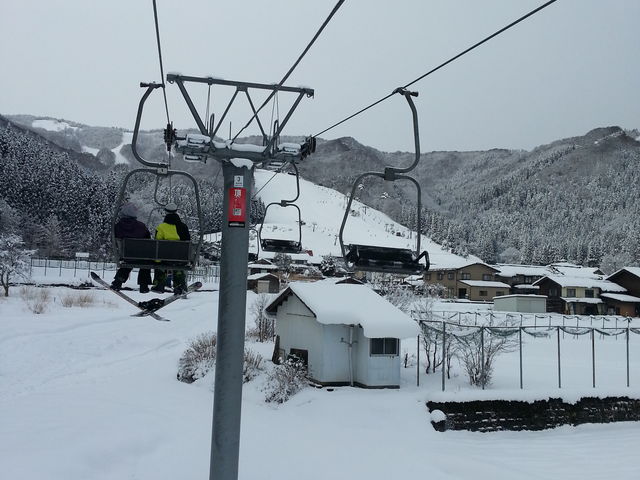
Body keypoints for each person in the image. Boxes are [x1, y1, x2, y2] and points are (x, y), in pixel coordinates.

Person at [111, 201, 152, 293]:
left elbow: (115, 237)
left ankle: (118, 282)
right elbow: (148, 240)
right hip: (141, 256)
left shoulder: (118, 226)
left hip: (126, 254)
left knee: (128, 262)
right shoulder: (141, 226)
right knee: (145, 263)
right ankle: (143, 285)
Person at [151, 202, 191, 295]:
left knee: (161, 264)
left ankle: (159, 284)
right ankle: (180, 285)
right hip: (181, 258)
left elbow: (158, 243)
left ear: (166, 212)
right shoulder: (183, 227)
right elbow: (187, 241)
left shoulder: (161, 227)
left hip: (165, 258)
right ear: (176, 212)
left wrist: (157, 261)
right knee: (178, 265)